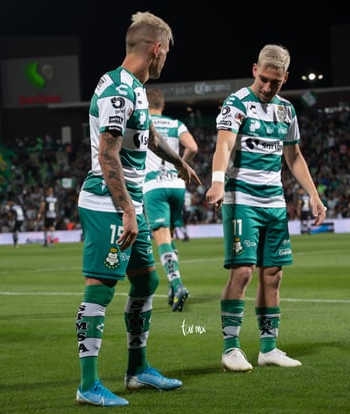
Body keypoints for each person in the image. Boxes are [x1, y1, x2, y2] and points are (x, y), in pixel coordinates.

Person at [75, 11, 201, 407]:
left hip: (132, 201)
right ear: (156, 49)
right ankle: (88, 384)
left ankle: (137, 370)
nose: (166, 61)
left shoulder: (136, 89)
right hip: (109, 201)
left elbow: (146, 136)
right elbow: (107, 153)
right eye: (166, 54)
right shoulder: (118, 89)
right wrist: (128, 210)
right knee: (101, 287)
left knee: (146, 282)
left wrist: (177, 160)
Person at [205, 44, 327, 372]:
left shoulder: (286, 111)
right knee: (243, 271)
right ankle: (231, 348)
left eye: (276, 81)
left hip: (274, 200)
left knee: (273, 274)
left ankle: (268, 348)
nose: (267, 86)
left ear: (285, 78)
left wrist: (313, 195)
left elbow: (294, 156)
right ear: (254, 69)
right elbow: (224, 144)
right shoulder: (236, 103)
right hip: (241, 198)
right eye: (264, 78)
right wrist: (217, 180)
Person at [143, 87, 198, 311]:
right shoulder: (176, 124)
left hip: (153, 185)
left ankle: (178, 284)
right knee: (170, 237)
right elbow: (192, 147)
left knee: (161, 238)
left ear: (145, 106)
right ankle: (172, 286)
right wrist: (181, 166)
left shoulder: (143, 121)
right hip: (176, 185)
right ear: (162, 106)